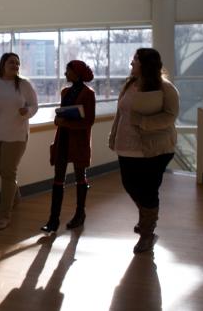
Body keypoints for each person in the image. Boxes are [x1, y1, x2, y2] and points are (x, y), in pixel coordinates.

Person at [108, 48, 179, 254]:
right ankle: (146, 216)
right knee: (129, 185)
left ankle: (147, 232)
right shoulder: (129, 85)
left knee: (148, 190)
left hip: (154, 150)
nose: (131, 63)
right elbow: (120, 114)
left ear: (145, 64)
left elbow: (170, 116)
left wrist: (143, 122)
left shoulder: (166, 88)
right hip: (126, 147)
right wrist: (113, 136)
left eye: (135, 60)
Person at [0, 52, 38, 230]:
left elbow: (34, 105)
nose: (15, 66)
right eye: (12, 62)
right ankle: (15, 197)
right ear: (3, 64)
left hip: (16, 135)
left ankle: (5, 215)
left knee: (8, 173)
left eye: (18, 63)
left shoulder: (24, 85)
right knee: (2, 171)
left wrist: (26, 112)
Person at [41, 60, 96, 233]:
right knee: (58, 179)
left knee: (80, 176)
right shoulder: (65, 92)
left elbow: (89, 121)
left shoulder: (88, 94)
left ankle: (80, 214)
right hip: (63, 139)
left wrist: (67, 122)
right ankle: (53, 220)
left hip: (79, 141)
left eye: (68, 70)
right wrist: (58, 120)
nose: (65, 74)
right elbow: (61, 116)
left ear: (77, 73)